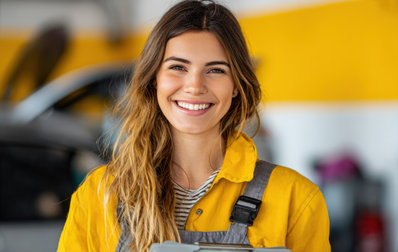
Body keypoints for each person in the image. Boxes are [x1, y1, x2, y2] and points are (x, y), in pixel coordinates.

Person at [57, 0, 330, 251]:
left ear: (236, 86)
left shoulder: (296, 199)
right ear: (154, 78)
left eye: (215, 70)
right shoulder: (100, 194)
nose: (195, 86)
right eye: (178, 67)